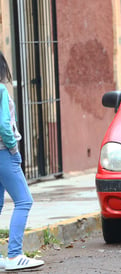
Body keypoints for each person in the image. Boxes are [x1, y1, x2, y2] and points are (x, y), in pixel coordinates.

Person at [0, 52, 45, 270]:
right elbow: (4, 125)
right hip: (3, 153)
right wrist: (13, 149)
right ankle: (14, 255)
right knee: (24, 201)